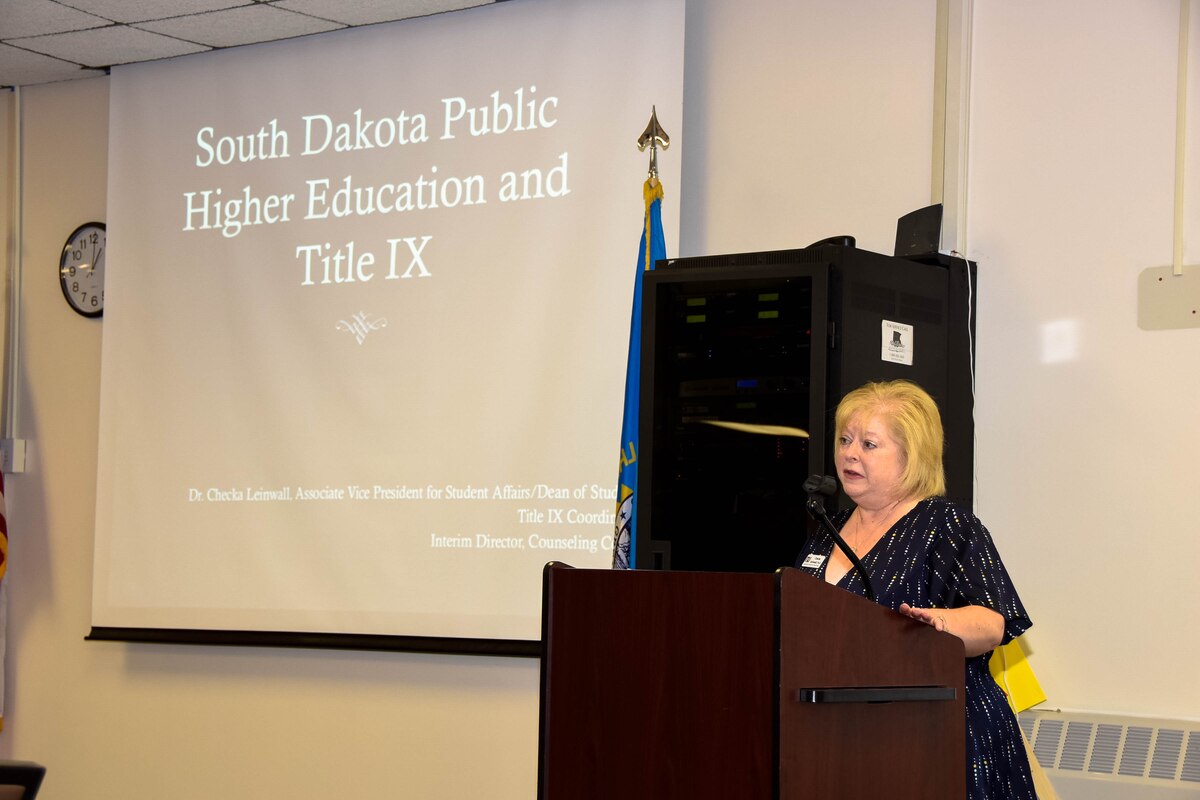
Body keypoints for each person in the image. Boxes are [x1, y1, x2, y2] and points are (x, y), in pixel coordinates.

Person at [795, 379, 1036, 800]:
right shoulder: (826, 531)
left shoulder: (947, 525)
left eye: (869, 444)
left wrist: (934, 624)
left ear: (911, 455)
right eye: (845, 440)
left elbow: (992, 622)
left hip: (939, 731)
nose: (849, 453)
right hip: (842, 731)